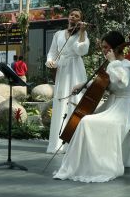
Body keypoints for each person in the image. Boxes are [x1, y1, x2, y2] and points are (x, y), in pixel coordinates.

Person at [53, 31, 130, 182]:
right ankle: (84, 164)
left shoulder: (126, 65)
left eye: (106, 47)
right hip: (112, 105)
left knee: (86, 121)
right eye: (103, 48)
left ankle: (100, 165)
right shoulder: (114, 65)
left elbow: (122, 81)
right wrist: (83, 84)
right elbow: (104, 82)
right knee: (85, 119)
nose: (104, 50)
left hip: (123, 109)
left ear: (115, 48)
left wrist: (112, 62)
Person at [45, 8, 89, 154]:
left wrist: (82, 32)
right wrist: (50, 61)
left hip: (75, 68)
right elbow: (52, 52)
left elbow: (81, 51)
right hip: (62, 69)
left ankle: (75, 142)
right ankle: (58, 142)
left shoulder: (81, 33)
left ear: (80, 19)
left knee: (75, 100)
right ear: (68, 17)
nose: (73, 17)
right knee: (61, 101)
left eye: (77, 16)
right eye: (72, 15)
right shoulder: (58, 34)